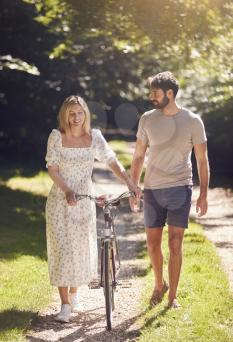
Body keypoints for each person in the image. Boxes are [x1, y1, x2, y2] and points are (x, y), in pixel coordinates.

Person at [45, 95, 140, 322]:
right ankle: (65, 304)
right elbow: (53, 168)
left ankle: (75, 292)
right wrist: (67, 190)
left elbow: (111, 160)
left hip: (84, 201)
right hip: (60, 199)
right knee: (61, 250)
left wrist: (129, 182)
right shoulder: (57, 137)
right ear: (64, 115)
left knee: (79, 248)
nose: (76, 118)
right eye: (71, 113)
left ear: (85, 114)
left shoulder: (94, 137)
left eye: (80, 113)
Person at [130, 71, 209, 308]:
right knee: (153, 244)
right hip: (153, 189)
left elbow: (202, 160)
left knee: (175, 243)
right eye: (151, 92)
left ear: (170, 93)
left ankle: (172, 297)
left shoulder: (193, 121)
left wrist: (203, 194)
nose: (151, 96)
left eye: (155, 92)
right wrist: (134, 186)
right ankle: (158, 285)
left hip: (179, 188)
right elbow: (138, 155)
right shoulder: (147, 119)